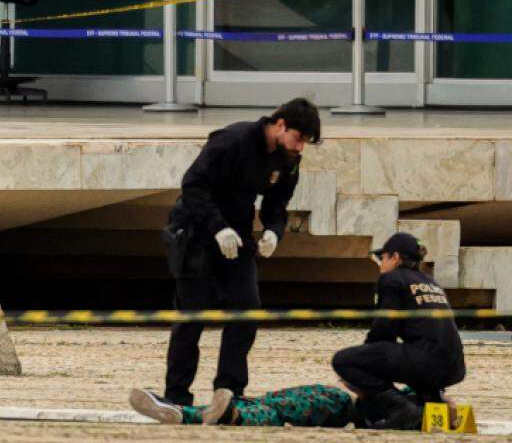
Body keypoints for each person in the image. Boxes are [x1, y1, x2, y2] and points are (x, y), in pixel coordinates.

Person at [158, 98, 321, 407]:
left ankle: (230, 390)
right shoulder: (233, 139)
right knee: (193, 315)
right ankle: (176, 395)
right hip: (196, 230)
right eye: (299, 138)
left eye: (306, 143)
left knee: (247, 308)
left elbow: (277, 204)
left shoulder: (288, 159)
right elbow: (193, 185)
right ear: (281, 125)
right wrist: (217, 227)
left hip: (238, 234)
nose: (300, 147)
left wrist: (274, 230)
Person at [332, 232, 466, 430]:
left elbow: (384, 329)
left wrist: (364, 363)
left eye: (382, 257)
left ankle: (400, 408)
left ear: (394, 257)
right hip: (455, 367)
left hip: (428, 362)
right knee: (412, 351)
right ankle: (434, 402)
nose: (381, 263)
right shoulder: (431, 283)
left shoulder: (392, 279)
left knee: (343, 360)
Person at [129, 384, 354, 427]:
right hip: (268, 403)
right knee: (262, 407)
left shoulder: (341, 401)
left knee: (272, 412)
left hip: (342, 408)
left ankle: (230, 414)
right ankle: (179, 413)